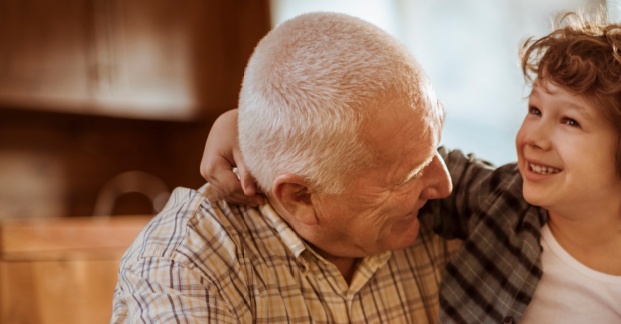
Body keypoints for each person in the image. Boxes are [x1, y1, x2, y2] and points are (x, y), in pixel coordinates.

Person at [202, 12, 621, 323]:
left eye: (570, 122)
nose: (534, 136)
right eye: (534, 109)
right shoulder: (494, 198)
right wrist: (239, 126)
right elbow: (378, 172)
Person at [111, 13, 459, 323]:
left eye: (434, 147)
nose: (444, 185)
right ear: (300, 197)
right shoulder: (184, 266)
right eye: (408, 176)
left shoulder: (448, 216)